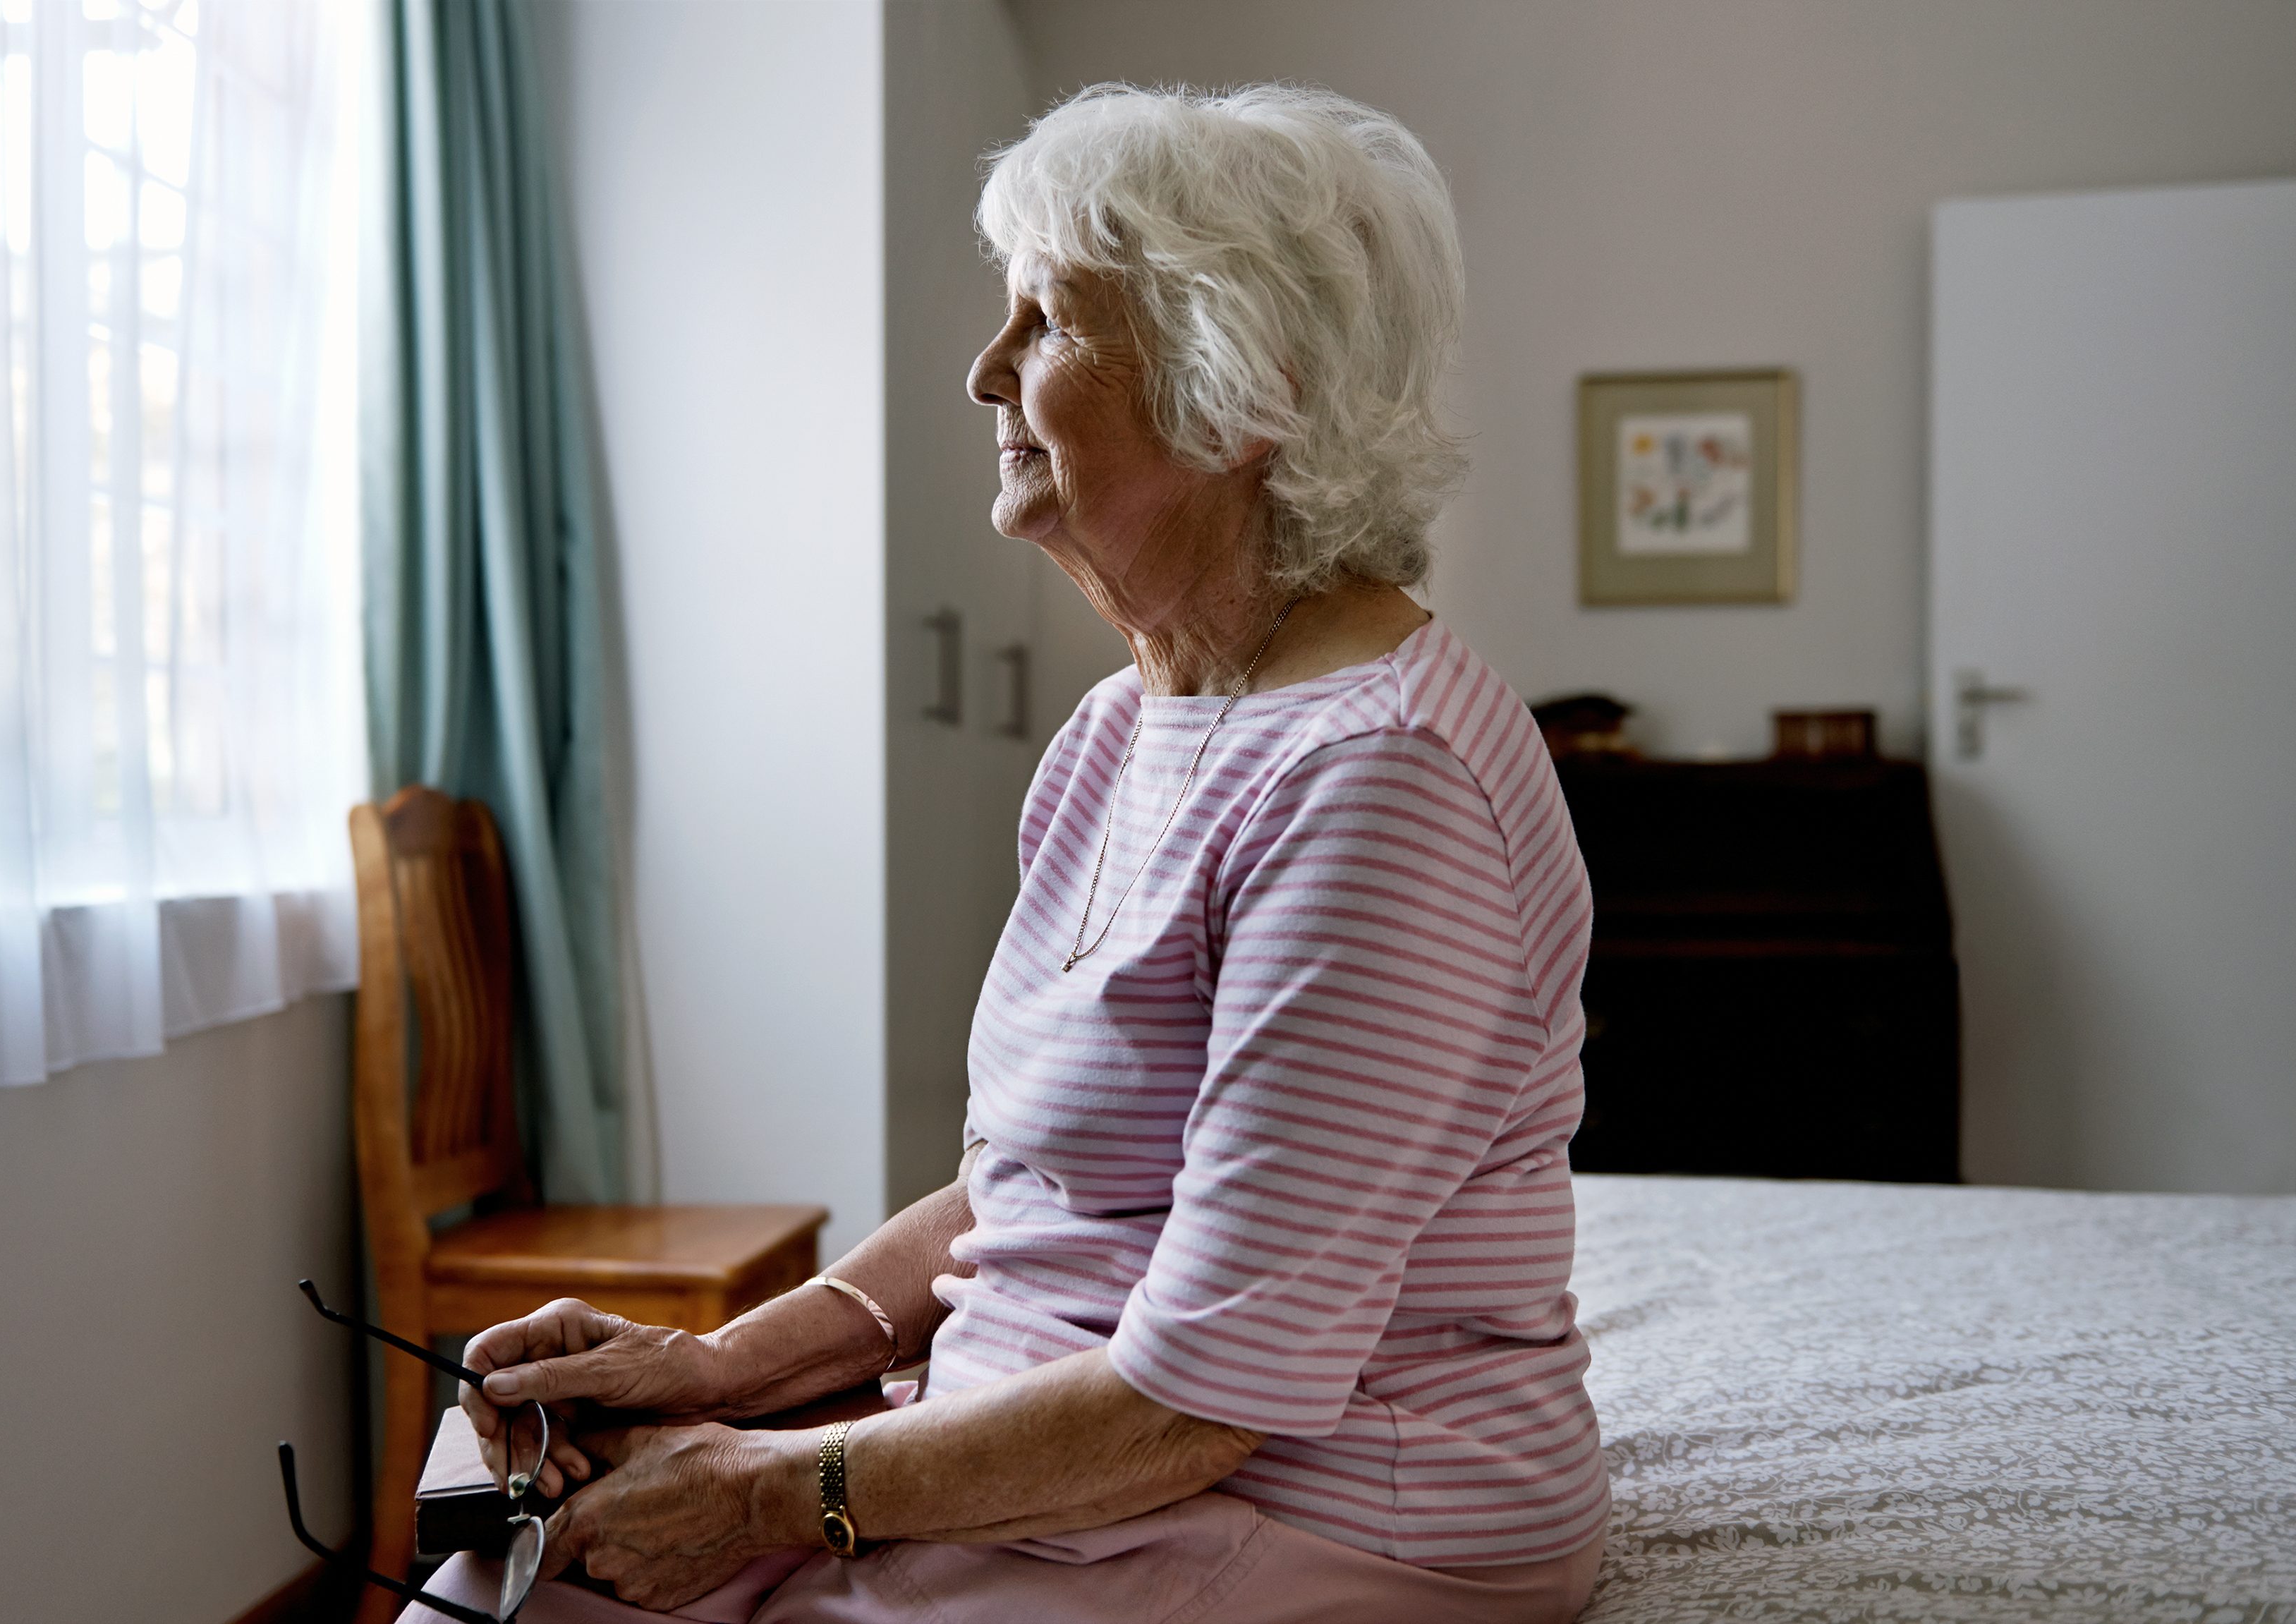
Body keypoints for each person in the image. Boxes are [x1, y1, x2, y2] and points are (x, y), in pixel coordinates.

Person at [408, 82, 1608, 1624]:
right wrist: (710, 1369)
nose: (985, 369)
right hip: (1079, 1461)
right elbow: (1022, 1192)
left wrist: (772, 1484)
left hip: (1300, 1506)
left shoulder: (1385, 784)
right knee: (492, 1588)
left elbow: (1198, 1398)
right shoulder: (1117, 731)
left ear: (1239, 394)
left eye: (1044, 321)